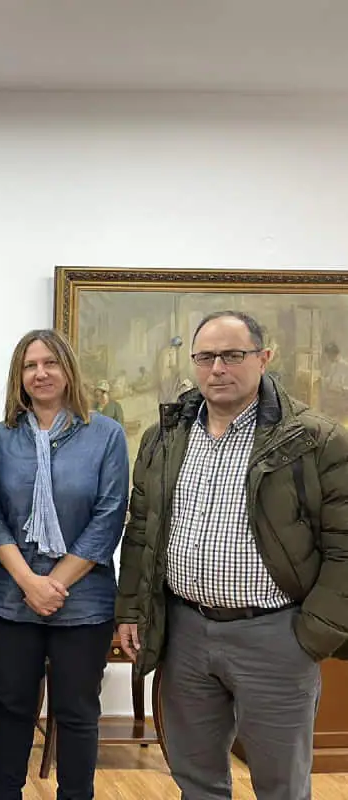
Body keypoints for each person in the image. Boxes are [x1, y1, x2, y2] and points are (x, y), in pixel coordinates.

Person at [117, 310, 348, 800]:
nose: (217, 368)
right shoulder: (166, 436)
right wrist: (132, 611)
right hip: (184, 634)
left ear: (264, 358)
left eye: (232, 355)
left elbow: (344, 549)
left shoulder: (315, 440)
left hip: (275, 638)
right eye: (205, 357)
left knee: (282, 787)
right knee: (196, 781)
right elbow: (140, 530)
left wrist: (311, 636)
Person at [0, 329, 129, 800]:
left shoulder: (105, 435)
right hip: (13, 596)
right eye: (30, 365)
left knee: (77, 712)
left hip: (84, 601)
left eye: (50, 363)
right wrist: (29, 582)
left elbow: (109, 516)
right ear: (18, 376)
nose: (40, 373)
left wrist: (54, 583)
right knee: (12, 707)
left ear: (68, 370)